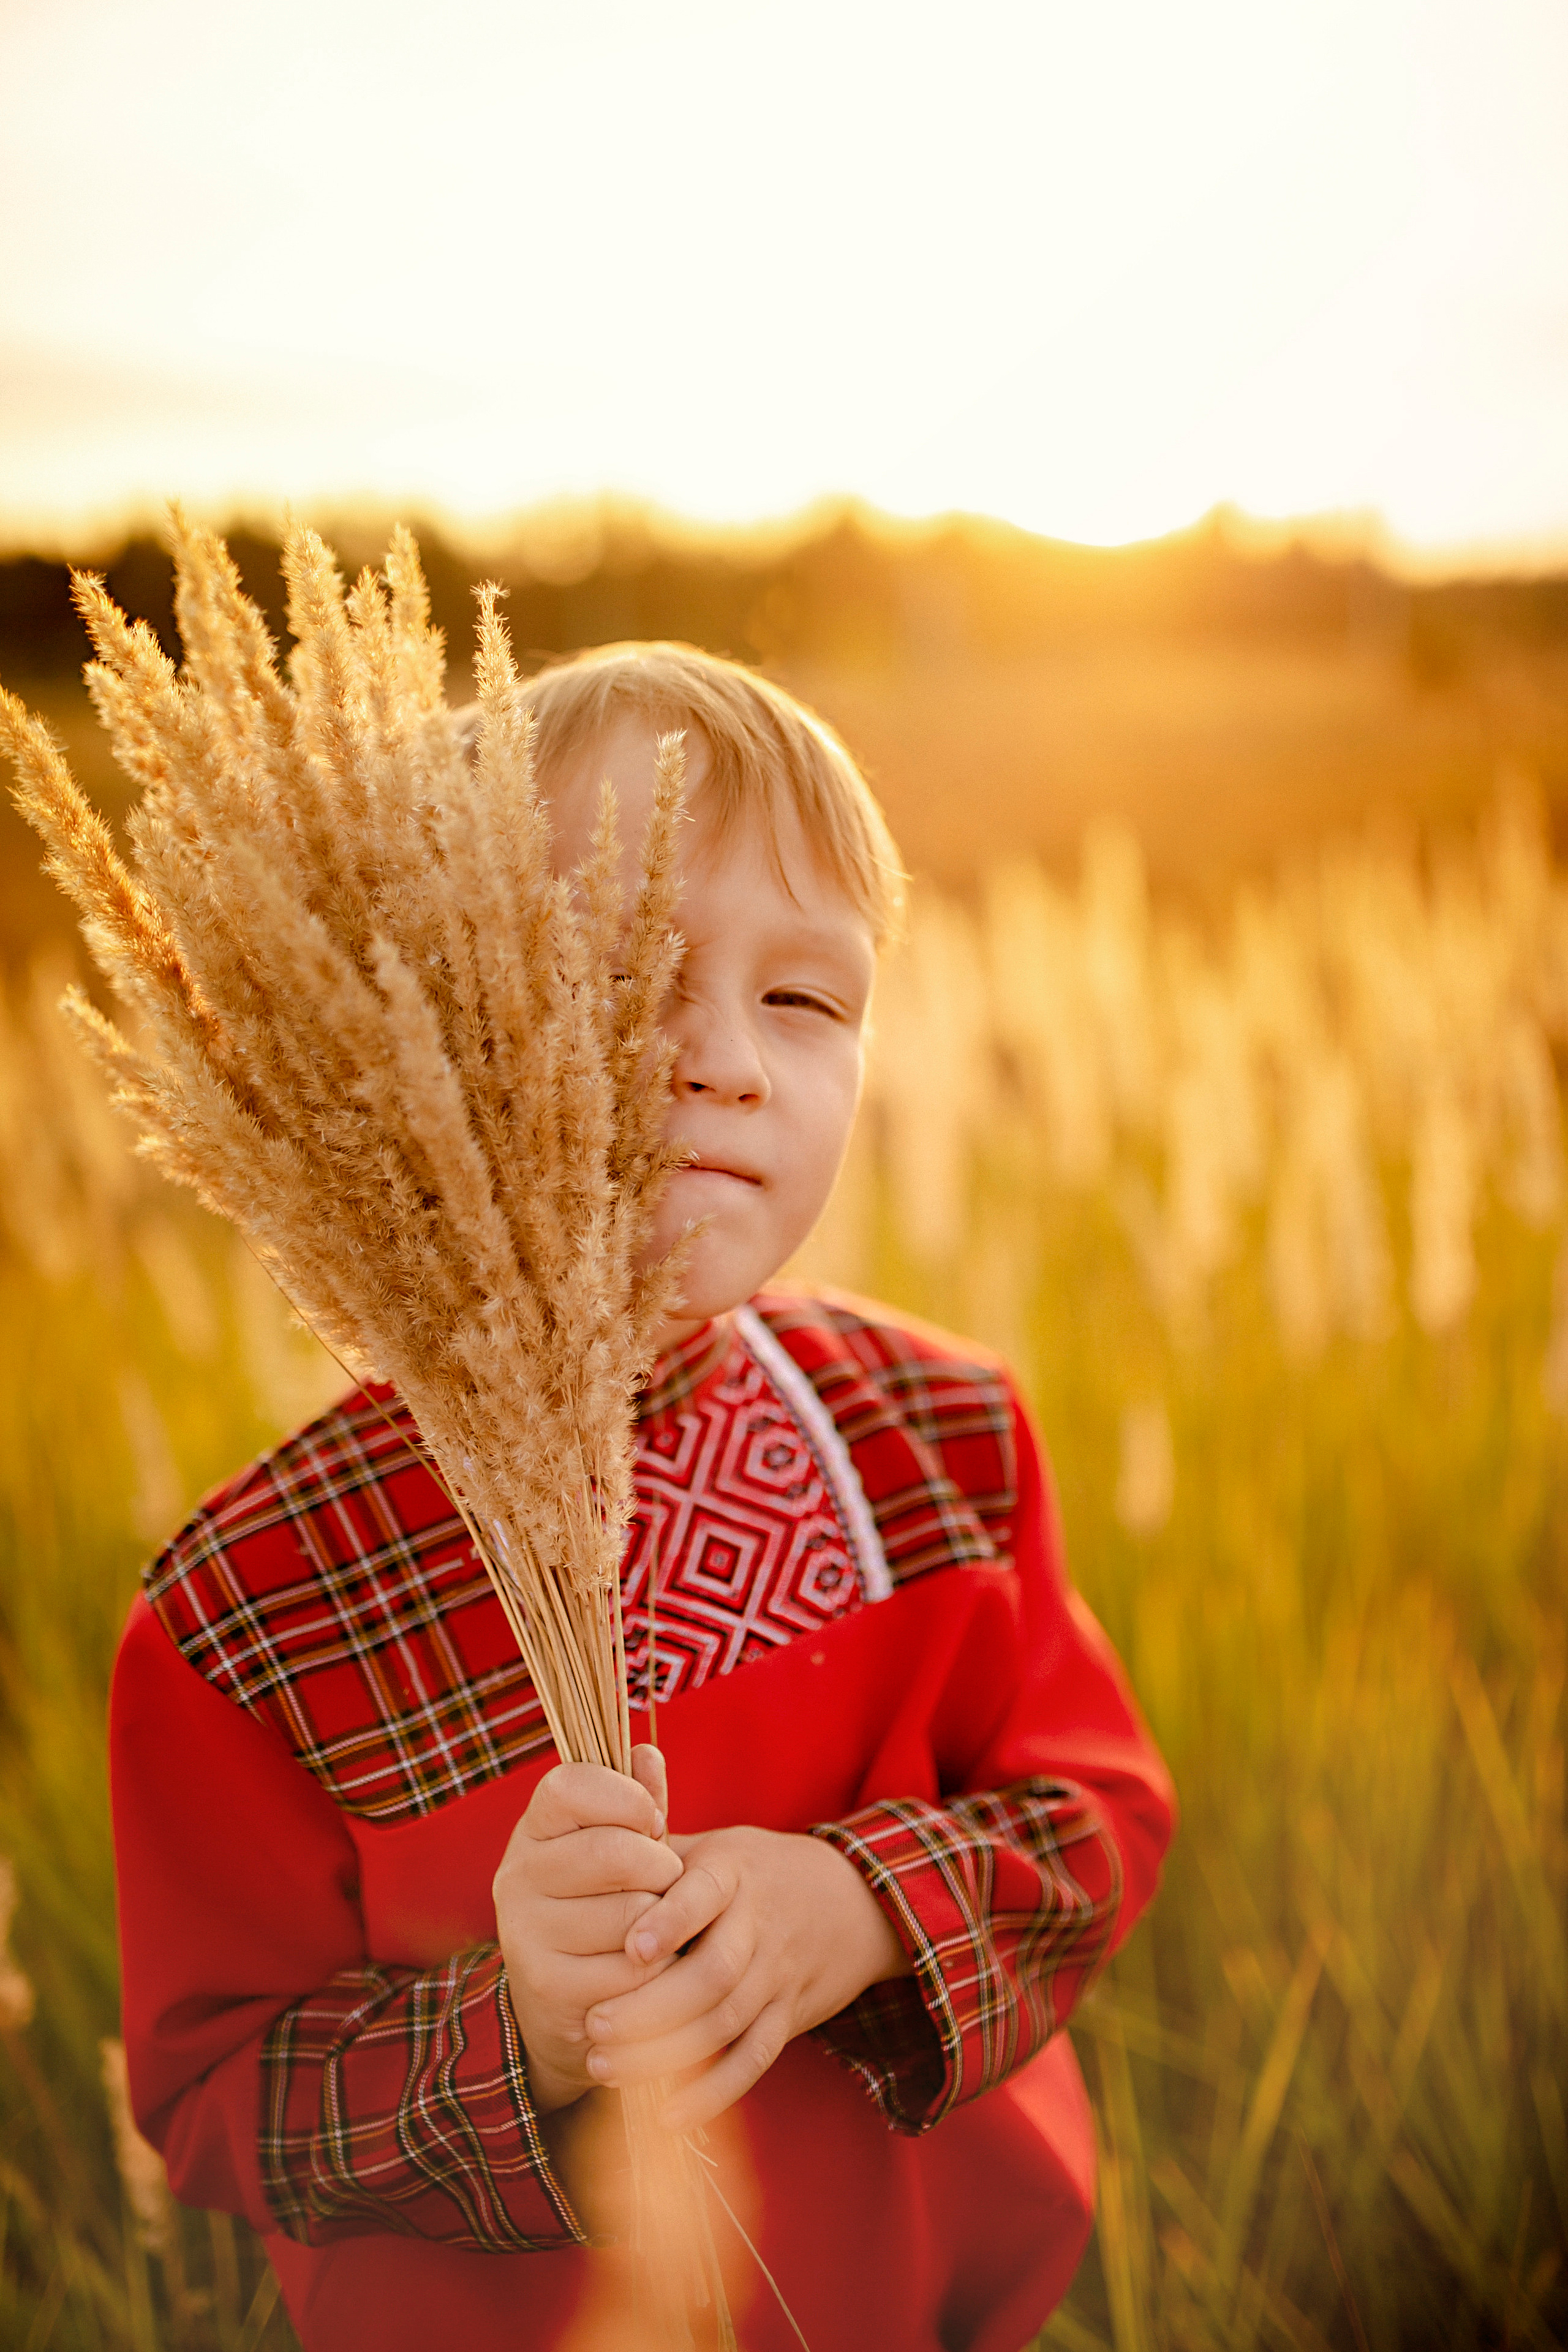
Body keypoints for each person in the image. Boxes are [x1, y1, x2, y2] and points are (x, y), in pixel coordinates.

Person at [110, 644, 1175, 2352]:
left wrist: (858, 1908)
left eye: (804, 1000)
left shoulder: (939, 1437)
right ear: (417, 1024)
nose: (731, 1062)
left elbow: (1097, 1821)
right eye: (625, 973)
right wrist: (518, 2027)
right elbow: (223, 2100)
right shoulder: (259, 1609)